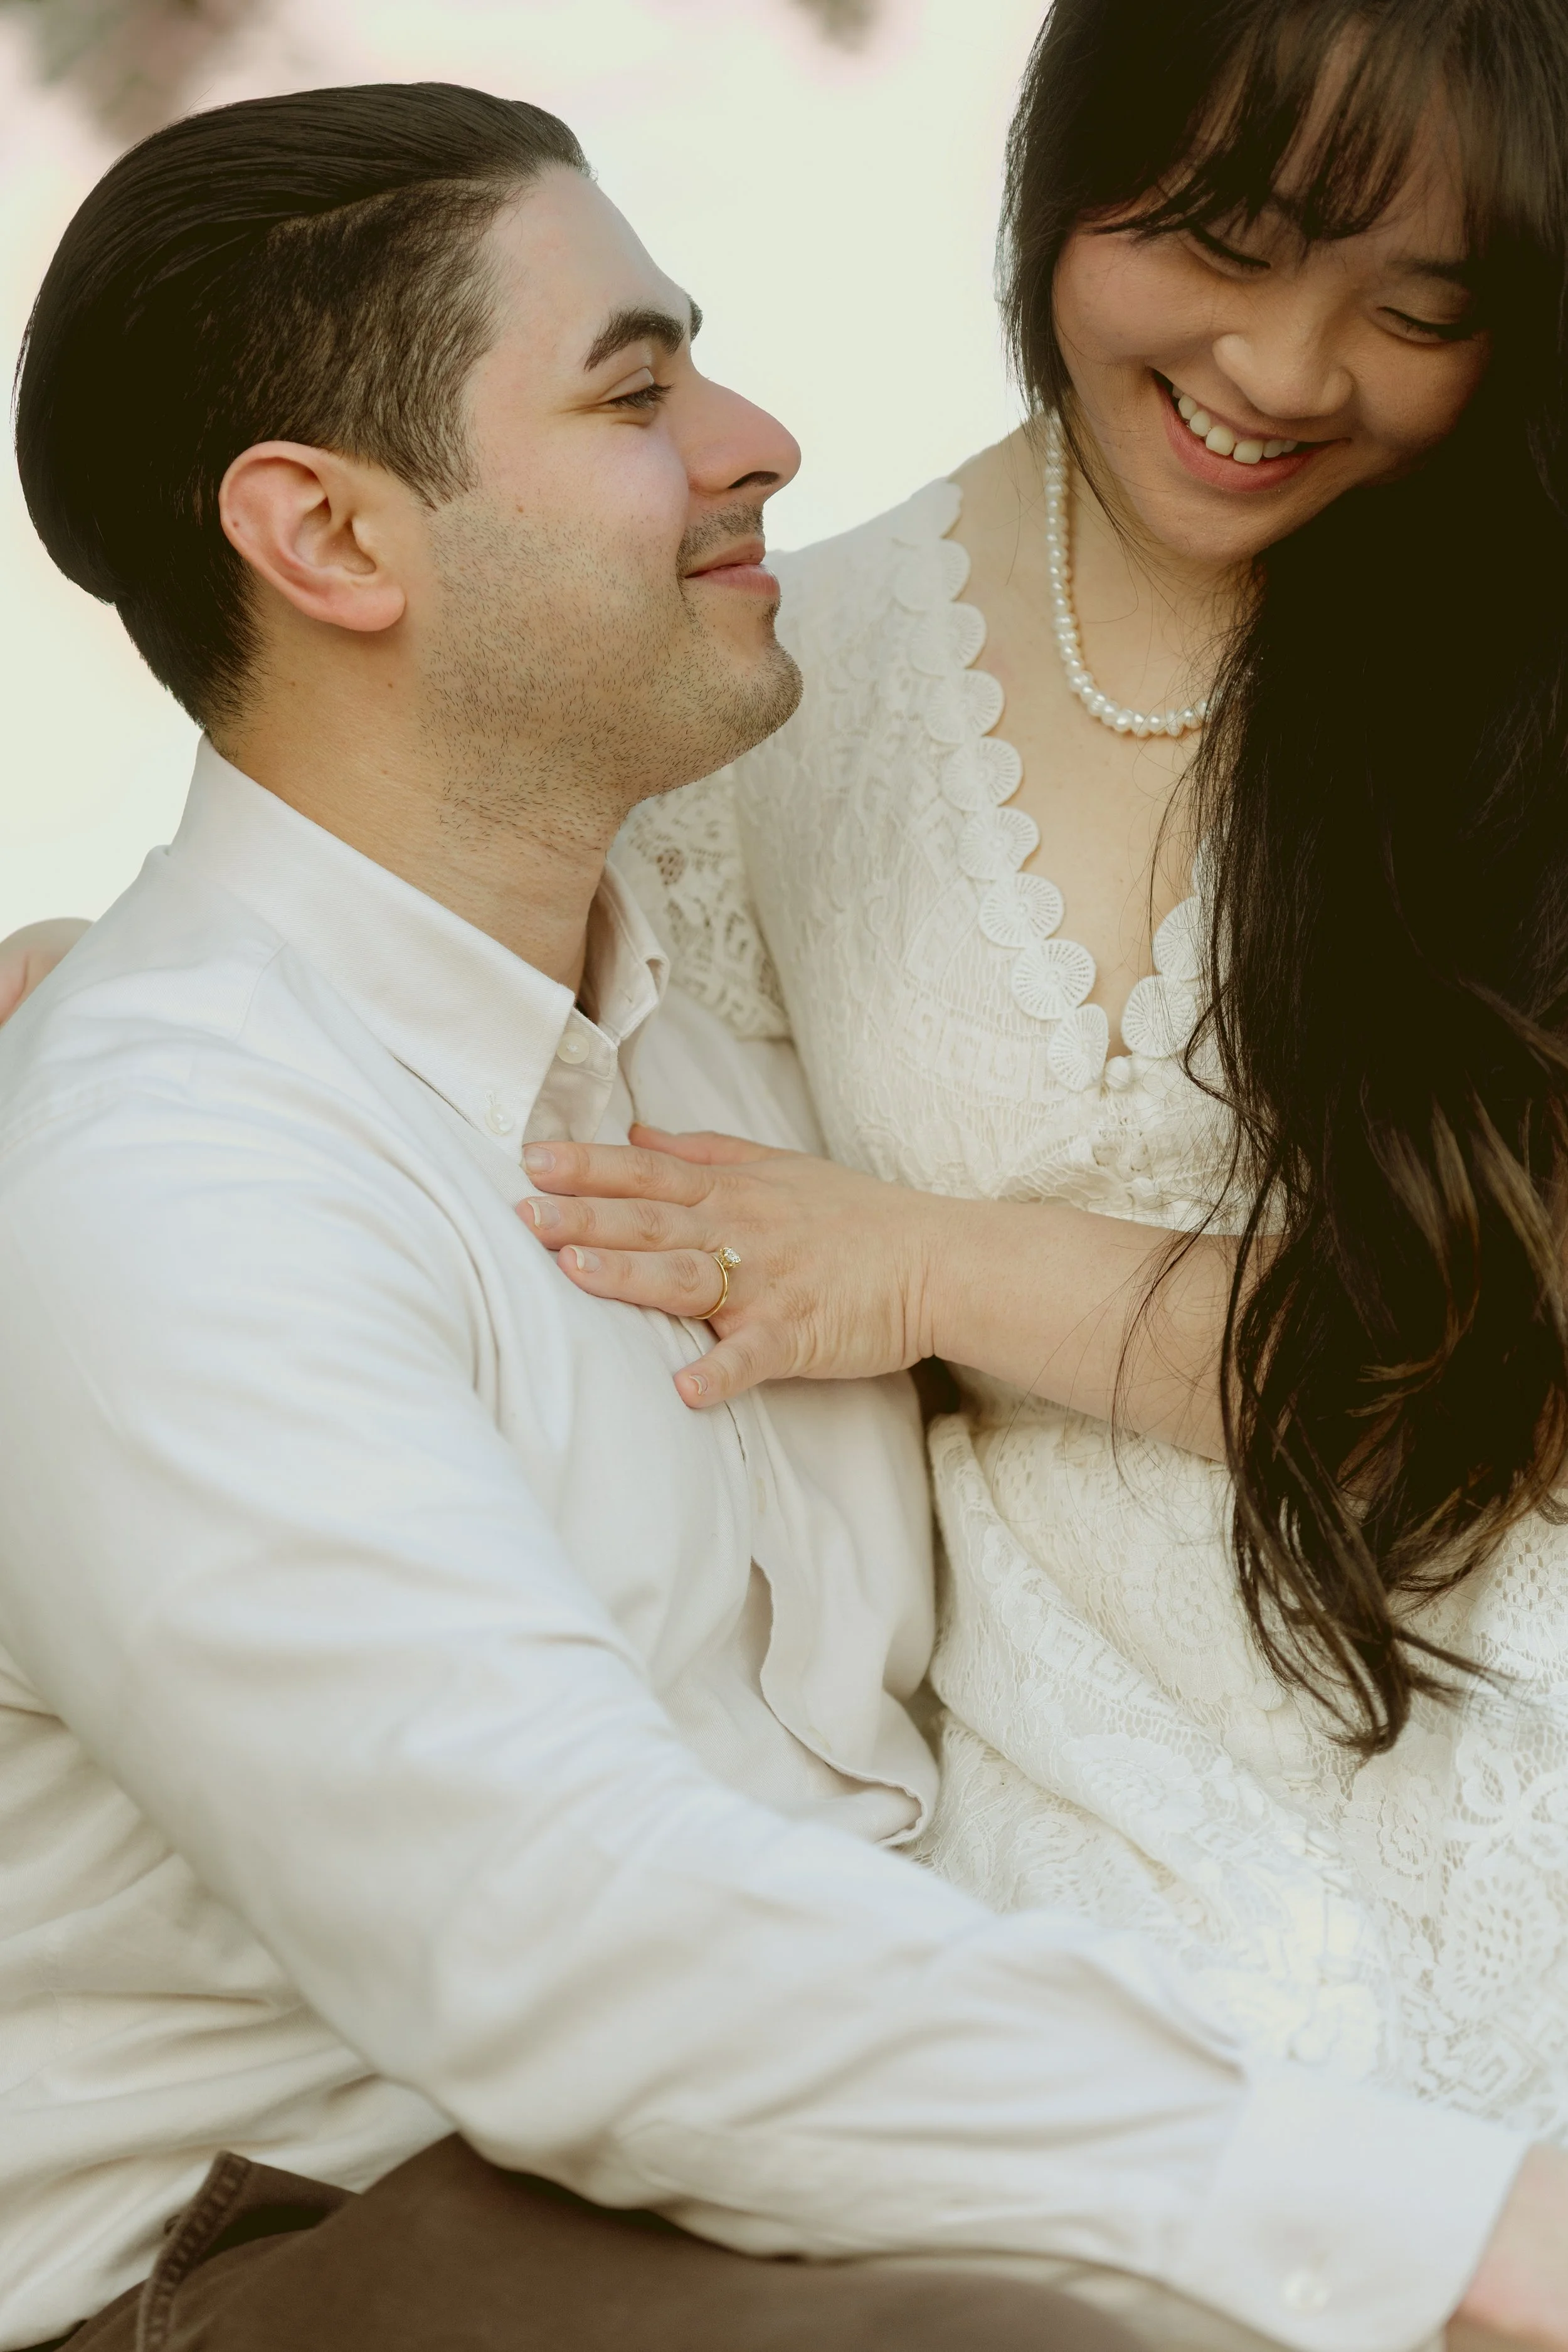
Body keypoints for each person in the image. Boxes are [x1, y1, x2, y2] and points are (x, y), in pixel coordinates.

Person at [3, 66, 1565, 2352]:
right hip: (292, 2242)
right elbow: (565, 1933)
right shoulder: (167, 1176)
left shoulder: (722, 1051)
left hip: (772, 2176)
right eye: (636, 390)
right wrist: (1458, 2224)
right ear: (331, 541)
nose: (762, 439)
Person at [442, 0, 1568, 2247]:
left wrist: (935, 1267)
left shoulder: (1517, 652)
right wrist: (151, 972)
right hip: (1077, 1858)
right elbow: (585, 1124)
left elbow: (1505, 1382)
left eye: (1415, 309)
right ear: (1074, 160)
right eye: (1226, 243)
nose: (1281, 366)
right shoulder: (781, 681)